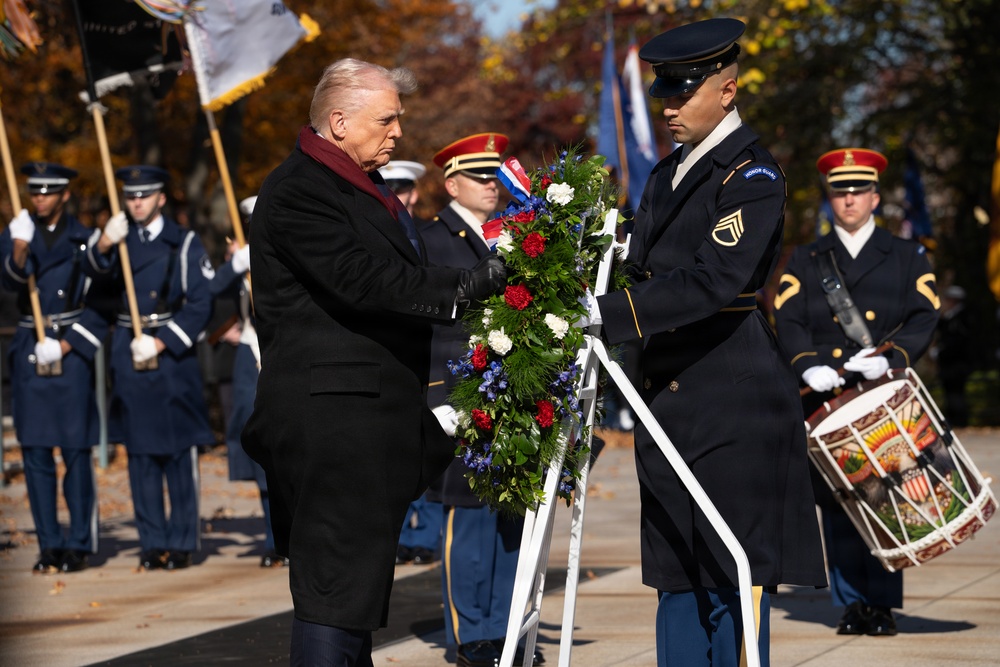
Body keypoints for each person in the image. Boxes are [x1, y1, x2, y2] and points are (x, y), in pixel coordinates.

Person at [239, 58, 507, 667]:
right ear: (338, 122)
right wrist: (470, 286)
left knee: (353, 594)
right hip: (330, 421)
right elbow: (361, 281)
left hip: (365, 421)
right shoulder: (300, 189)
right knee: (335, 593)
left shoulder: (367, 188)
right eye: (386, 120)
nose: (398, 133)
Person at [589, 18, 827, 666]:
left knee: (731, 577)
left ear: (727, 91)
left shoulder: (751, 176)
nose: (667, 105)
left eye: (681, 91)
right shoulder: (665, 175)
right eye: (662, 92)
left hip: (733, 400)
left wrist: (602, 310)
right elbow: (641, 268)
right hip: (668, 402)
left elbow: (712, 281)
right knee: (677, 579)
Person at [773, 148, 940, 636]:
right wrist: (807, 366)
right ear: (830, 199)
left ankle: (883, 604)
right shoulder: (804, 258)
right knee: (841, 499)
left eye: (858, 191)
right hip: (827, 396)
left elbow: (924, 315)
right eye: (839, 192)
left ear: (875, 196)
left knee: (888, 495)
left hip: (884, 392)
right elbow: (789, 318)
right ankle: (852, 604)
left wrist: (893, 357)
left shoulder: (908, 255)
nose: (849, 200)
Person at [420, 133, 541, 667]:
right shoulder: (429, 240)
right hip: (457, 397)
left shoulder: (513, 236)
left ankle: (508, 630)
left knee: (511, 514)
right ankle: (473, 637)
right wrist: (432, 398)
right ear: (451, 184)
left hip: (511, 392)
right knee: (468, 524)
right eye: (480, 177)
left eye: (496, 175)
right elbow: (422, 325)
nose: (493, 185)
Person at [85, 165, 216, 571]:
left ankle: (179, 542)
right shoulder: (116, 242)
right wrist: (104, 245)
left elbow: (200, 303)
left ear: (161, 198)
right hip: (129, 350)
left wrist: (161, 340)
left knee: (178, 452)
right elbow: (91, 283)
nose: (136, 202)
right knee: (140, 453)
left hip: (169, 356)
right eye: (130, 196)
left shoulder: (184, 242)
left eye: (144, 195)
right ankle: (151, 541)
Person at [1, 162, 108, 573]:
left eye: (48, 192)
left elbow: (104, 303)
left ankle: (79, 542)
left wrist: (67, 345)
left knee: (76, 452)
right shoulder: (16, 235)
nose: (40, 198)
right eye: (34, 192)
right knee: (36, 453)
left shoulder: (86, 240)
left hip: (69, 351)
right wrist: (18, 249)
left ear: (65, 194)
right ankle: (49, 543)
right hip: (31, 346)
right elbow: (7, 285)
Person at [208, 195, 286, 568]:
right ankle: (274, 542)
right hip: (250, 356)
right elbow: (206, 292)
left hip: (285, 353)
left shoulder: (289, 252)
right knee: (258, 448)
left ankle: (294, 538)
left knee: (289, 452)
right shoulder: (242, 263)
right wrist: (235, 266)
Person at [377, 159, 443, 566]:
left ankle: (427, 536)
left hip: (430, 350)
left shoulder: (427, 236)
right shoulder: (379, 235)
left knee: (430, 447)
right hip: (394, 351)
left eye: (402, 191)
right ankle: (400, 535)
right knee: (394, 453)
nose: (397, 198)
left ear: (414, 194)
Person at [933, 285, 974, 427]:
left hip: (957, 364)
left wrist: (941, 351)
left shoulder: (963, 317)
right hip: (949, 364)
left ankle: (959, 422)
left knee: (956, 394)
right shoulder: (949, 317)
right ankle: (954, 421)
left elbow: (959, 341)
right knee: (950, 393)